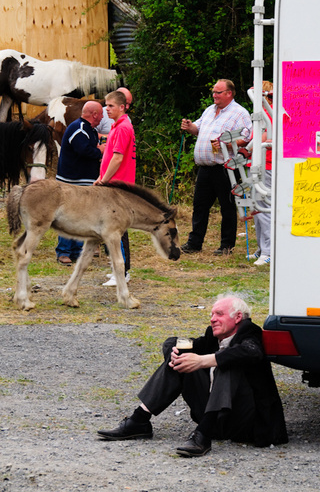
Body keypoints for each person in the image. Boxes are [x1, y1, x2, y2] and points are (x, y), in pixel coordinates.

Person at [97, 293, 288, 456]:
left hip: (247, 423)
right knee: (182, 360)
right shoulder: (212, 337)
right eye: (212, 314)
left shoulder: (250, 333)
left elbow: (250, 352)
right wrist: (174, 353)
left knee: (227, 362)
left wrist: (204, 360)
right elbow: (174, 342)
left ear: (238, 317)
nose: (212, 319)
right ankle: (139, 421)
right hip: (218, 423)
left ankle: (202, 435)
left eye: (219, 314)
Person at [180, 79, 252, 255]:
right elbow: (199, 128)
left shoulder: (239, 113)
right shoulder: (210, 110)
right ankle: (194, 243)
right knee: (200, 206)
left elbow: (248, 137)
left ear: (229, 93)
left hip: (225, 167)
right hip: (205, 167)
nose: (214, 95)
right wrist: (190, 127)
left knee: (226, 207)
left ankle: (226, 246)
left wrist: (228, 144)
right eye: (213, 92)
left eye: (218, 92)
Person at [94, 89, 136, 286]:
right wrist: (101, 177)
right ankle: (117, 269)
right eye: (105, 105)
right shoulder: (116, 126)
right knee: (112, 229)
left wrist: (104, 180)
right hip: (112, 183)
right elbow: (111, 156)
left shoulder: (122, 128)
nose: (106, 109)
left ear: (121, 107)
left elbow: (118, 158)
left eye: (110, 106)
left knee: (118, 229)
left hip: (118, 186)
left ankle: (123, 272)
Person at [55, 101, 104, 265]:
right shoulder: (79, 128)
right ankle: (63, 251)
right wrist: (100, 151)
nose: (103, 117)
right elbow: (83, 150)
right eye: (101, 114)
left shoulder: (89, 129)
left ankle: (76, 251)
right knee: (68, 216)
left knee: (80, 217)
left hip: (82, 181)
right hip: (72, 181)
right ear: (94, 114)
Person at [247, 81, 273, 266]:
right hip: (257, 163)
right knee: (257, 209)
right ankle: (261, 248)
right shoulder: (261, 114)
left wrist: (247, 148)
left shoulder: (272, 111)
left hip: (268, 164)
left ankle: (269, 251)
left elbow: (264, 137)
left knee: (264, 208)